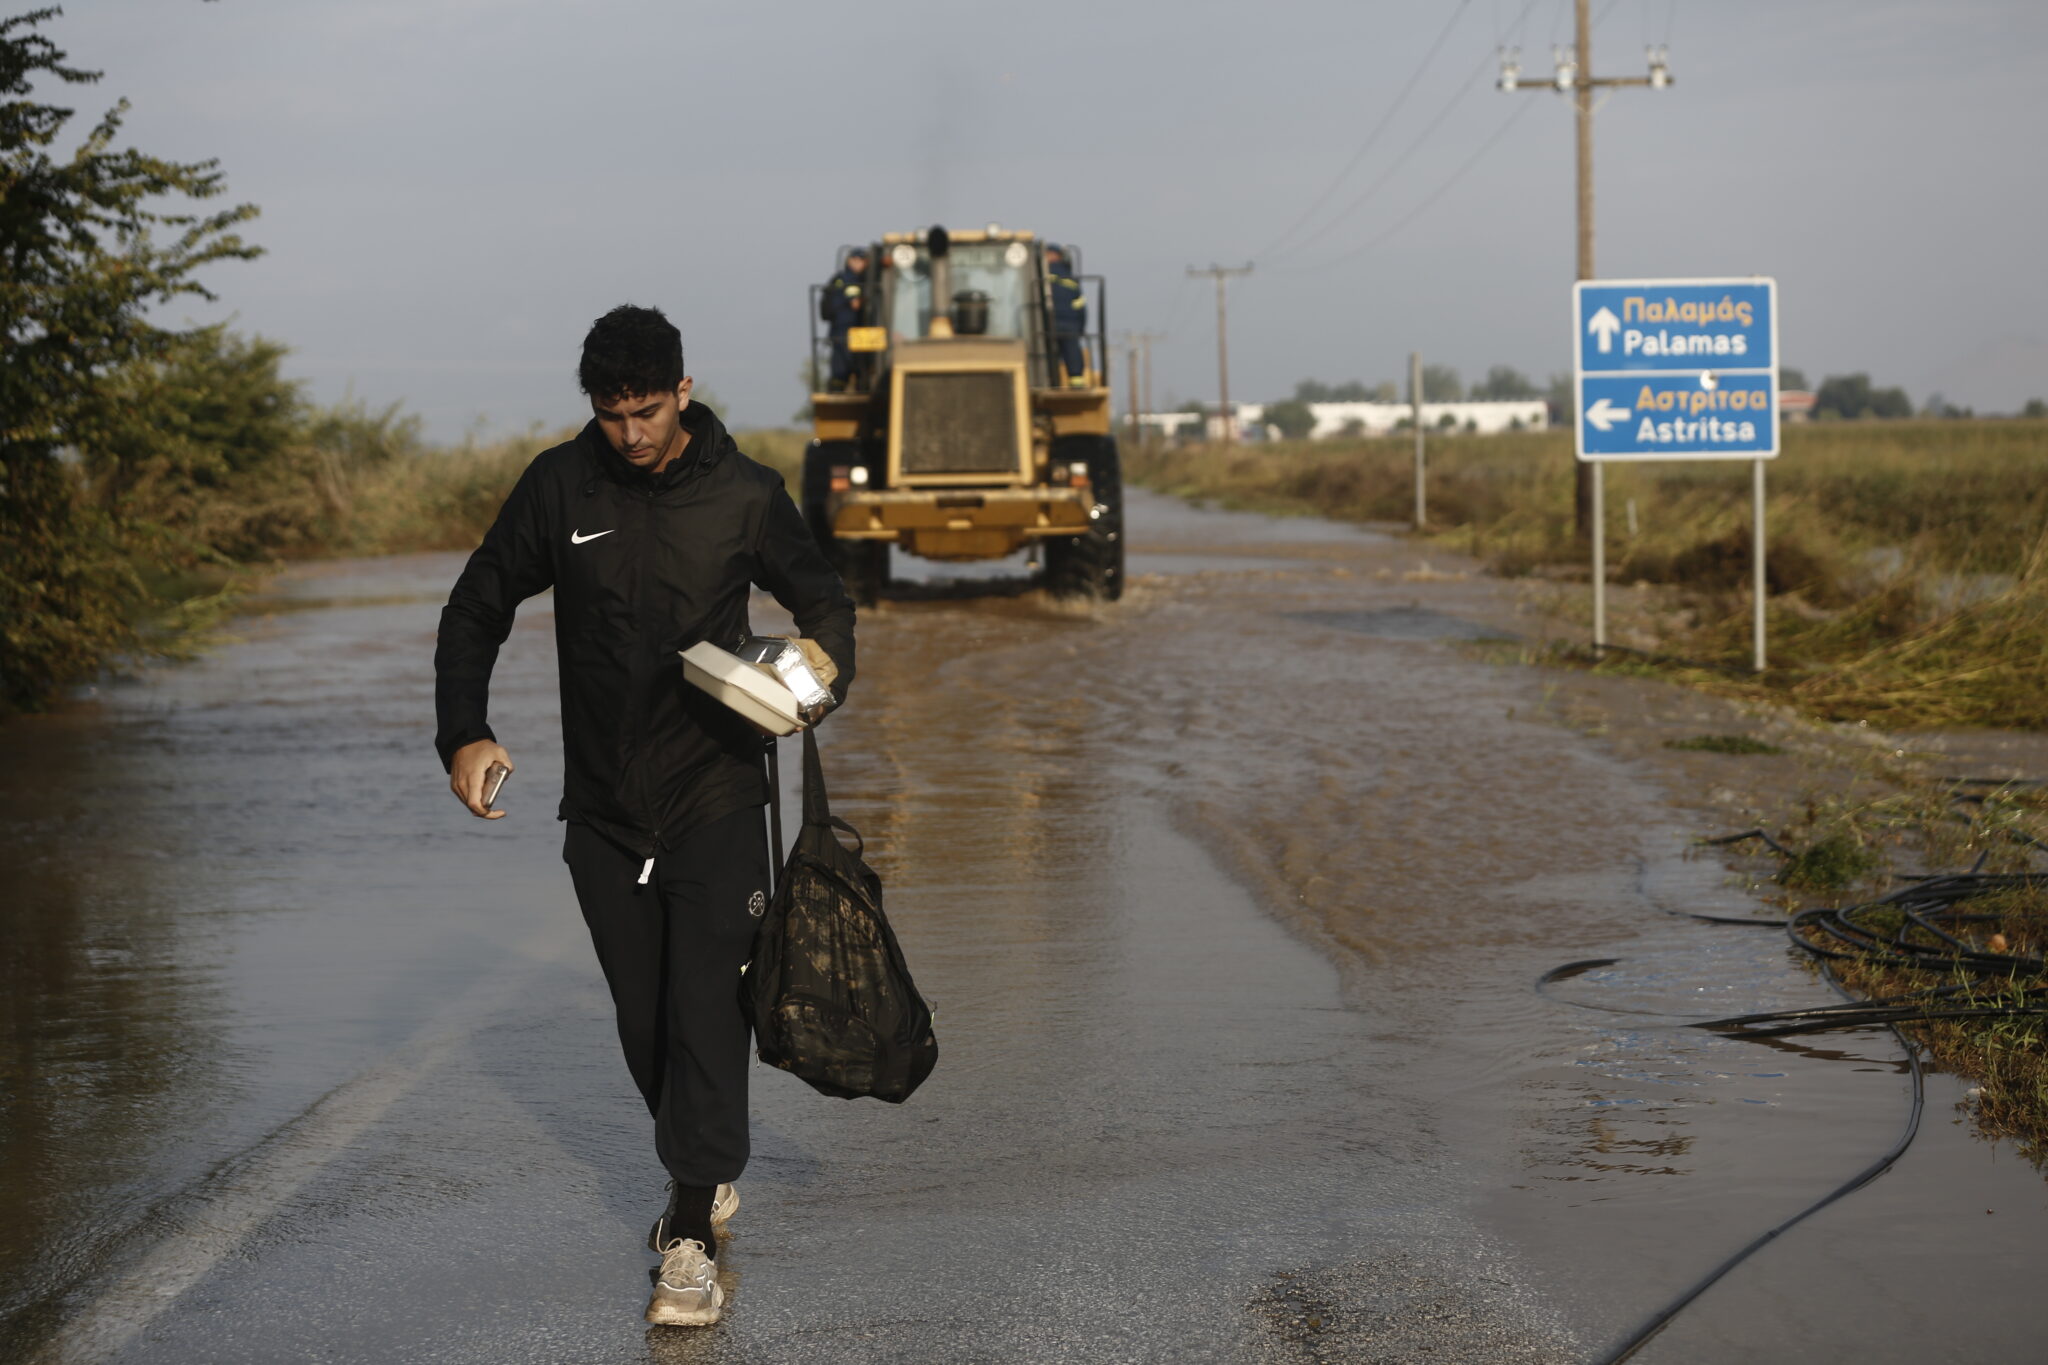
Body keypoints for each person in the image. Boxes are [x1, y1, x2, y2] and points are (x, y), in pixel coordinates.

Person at [434, 305, 856, 1328]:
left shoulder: (746, 494)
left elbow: (825, 606)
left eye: (646, 410)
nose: (630, 432)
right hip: (607, 812)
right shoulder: (559, 487)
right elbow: (477, 605)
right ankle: (700, 1166)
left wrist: (813, 686)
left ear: (683, 389)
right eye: (611, 412)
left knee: (704, 1007)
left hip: (717, 794)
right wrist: (464, 733)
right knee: (645, 1021)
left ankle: (687, 1243)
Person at [821, 248, 869, 392]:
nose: (864, 265)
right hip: (849, 332)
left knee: (840, 372)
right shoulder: (851, 280)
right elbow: (855, 304)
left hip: (839, 331)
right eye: (861, 261)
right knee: (851, 369)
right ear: (852, 261)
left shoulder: (839, 278)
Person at [1044, 243, 1089, 388]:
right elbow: (1081, 307)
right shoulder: (1071, 280)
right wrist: (1080, 329)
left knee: (1048, 355)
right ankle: (1077, 383)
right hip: (1071, 326)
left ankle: (1050, 382)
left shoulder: (1039, 277)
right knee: (1072, 353)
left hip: (1047, 326)